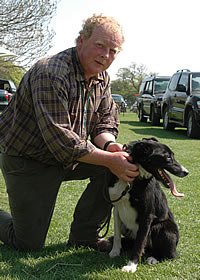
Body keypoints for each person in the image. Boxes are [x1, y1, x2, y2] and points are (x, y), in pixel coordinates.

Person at [0, 14, 139, 252]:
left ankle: (85, 235)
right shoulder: (50, 72)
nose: (106, 55)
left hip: (67, 156)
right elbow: (60, 139)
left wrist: (110, 147)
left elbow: (104, 122)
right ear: (80, 41)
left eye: (113, 50)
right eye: (100, 46)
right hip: (27, 159)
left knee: (113, 167)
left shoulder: (102, 77)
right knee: (27, 243)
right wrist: (109, 160)